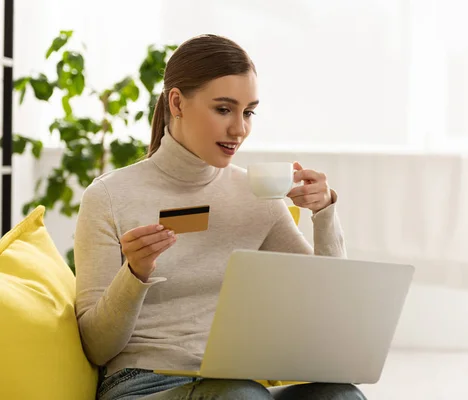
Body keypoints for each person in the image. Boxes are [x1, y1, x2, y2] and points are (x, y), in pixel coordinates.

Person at [74, 34, 367, 400]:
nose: (239, 129)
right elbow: (96, 347)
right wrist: (134, 273)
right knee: (238, 394)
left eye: (248, 112)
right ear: (177, 102)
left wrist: (324, 214)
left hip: (237, 384)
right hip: (143, 385)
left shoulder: (256, 196)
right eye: (224, 109)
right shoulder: (108, 197)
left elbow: (326, 300)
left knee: (339, 395)